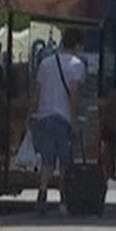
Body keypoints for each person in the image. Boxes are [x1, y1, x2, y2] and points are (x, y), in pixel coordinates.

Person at [29, 27, 86, 216]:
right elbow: (75, 94)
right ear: (77, 45)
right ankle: (63, 199)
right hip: (63, 118)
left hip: (43, 117)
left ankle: (43, 192)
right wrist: (76, 120)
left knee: (47, 160)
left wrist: (32, 115)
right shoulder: (77, 64)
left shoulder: (45, 63)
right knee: (65, 162)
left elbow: (36, 92)